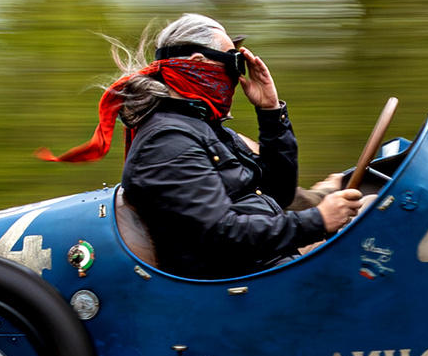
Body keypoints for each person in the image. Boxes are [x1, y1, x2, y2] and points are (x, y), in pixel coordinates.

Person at [38, 14, 363, 278]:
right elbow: (222, 235)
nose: (238, 77)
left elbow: (279, 193)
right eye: (235, 63)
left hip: (269, 267)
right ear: (198, 62)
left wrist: (271, 112)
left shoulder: (204, 129)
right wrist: (317, 221)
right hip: (247, 284)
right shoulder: (168, 142)